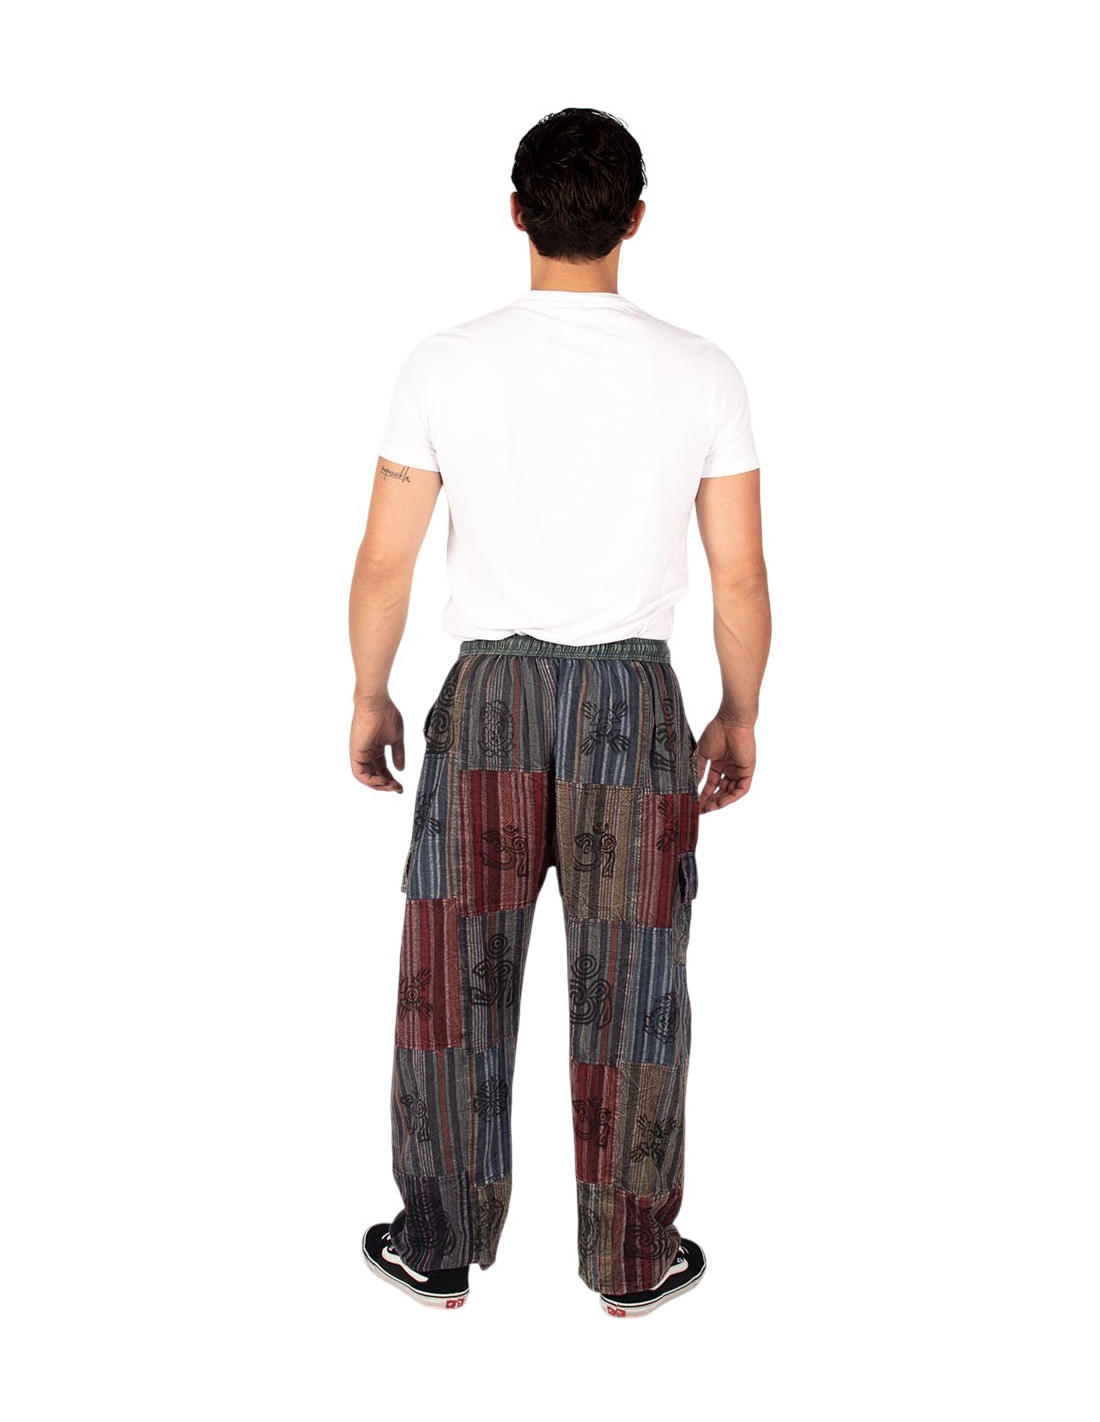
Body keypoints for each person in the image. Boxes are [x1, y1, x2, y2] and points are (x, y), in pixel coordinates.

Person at [348, 107, 771, 1317]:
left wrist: (370, 691)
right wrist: (737, 711)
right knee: (634, 980)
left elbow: (384, 564)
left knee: (452, 974)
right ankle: (631, 1262)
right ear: (634, 218)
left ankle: (437, 1245)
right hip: (632, 701)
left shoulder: (443, 363)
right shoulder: (702, 370)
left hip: (486, 698)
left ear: (515, 211)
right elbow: (738, 579)